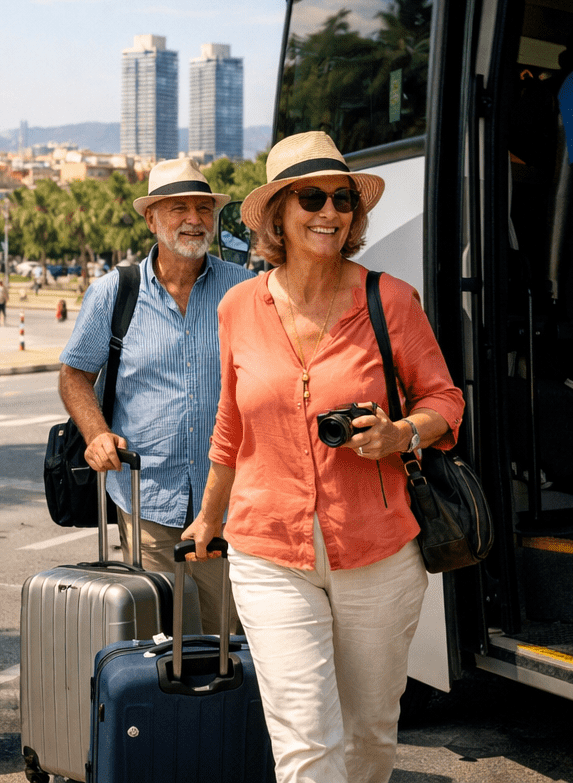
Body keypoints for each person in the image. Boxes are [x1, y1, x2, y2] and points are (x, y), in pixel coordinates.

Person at [183, 131, 465, 783]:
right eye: (311, 198)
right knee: (305, 742)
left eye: (342, 199)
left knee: (368, 736)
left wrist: (402, 433)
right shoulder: (238, 307)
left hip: (379, 551)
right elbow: (231, 423)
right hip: (267, 552)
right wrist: (209, 517)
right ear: (278, 214)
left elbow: (445, 399)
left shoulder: (390, 300)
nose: (330, 211)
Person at [59, 157, 252, 631]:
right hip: (147, 499)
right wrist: (97, 434)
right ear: (151, 219)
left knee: (230, 639)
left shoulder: (244, 290)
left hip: (231, 502)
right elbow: (74, 375)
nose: (194, 220)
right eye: (178, 208)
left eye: (204, 209)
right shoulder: (113, 293)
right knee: (163, 641)